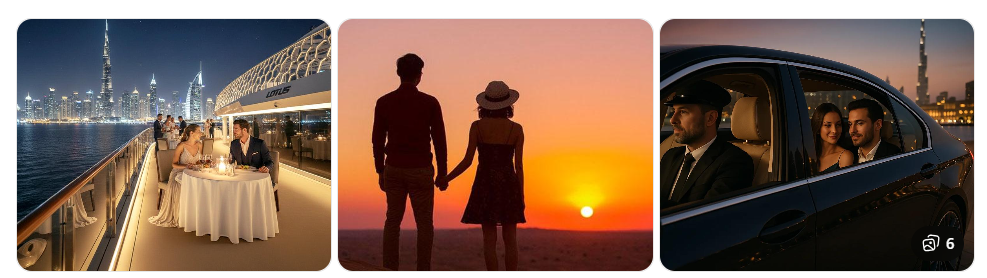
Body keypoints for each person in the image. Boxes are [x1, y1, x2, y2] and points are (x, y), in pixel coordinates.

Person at [371, 53, 447, 270]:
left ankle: (389, 269)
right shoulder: (430, 103)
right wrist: (442, 173)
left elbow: (377, 139)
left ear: (398, 73)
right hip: (421, 169)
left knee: (392, 221)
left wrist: (380, 169)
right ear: (419, 76)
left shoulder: (384, 102)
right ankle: (423, 269)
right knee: (424, 224)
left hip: (393, 168)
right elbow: (440, 141)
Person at [440, 81, 524, 271]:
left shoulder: (477, 127)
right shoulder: (516, 129)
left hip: (485, 185)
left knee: (489, 241)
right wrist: (521, 194)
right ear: (508, 105)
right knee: (511, 240)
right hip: (509, 185)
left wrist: (446, 178)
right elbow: (518, 166)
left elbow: (467, 160)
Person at [659, 80, 754, 209]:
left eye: (683, 112)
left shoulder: (734, 162)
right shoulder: (670, 156)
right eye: (674, 111)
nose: (673, 120)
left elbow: (705, 217)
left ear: (710, 118)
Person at [148, 124, 202, 227]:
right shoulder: (181, 146)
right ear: (192, 133)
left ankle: (197, 214)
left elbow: (199, 161)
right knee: (183, 184)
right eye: (199, 131)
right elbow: (174, 164)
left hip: (194, 172)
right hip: (179, 172)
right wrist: (186, 166)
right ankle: (183, 215)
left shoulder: (199, 145)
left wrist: (202, 163)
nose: (201, 133)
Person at [848, 98, 901, 163]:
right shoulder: (848, 155)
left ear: (878, 125)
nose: (852, 130)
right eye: (850, 124)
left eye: (859, 123)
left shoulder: (893, 156)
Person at [811, 103, 855, 173]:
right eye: (828, 125)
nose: (834, 130)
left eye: (838, 125)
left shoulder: (845, 156)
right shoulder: (810, 154)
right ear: (818, 128)